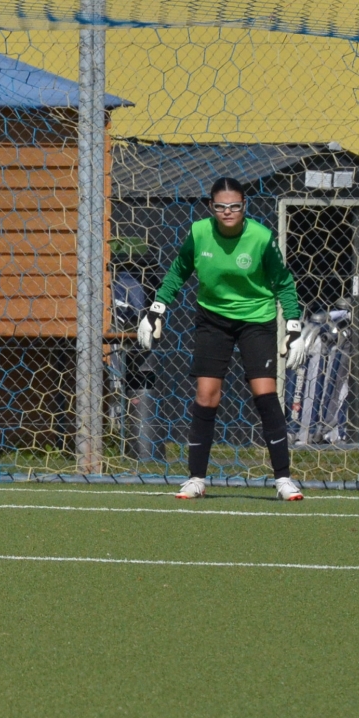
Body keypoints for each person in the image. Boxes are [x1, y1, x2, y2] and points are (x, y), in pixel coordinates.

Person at [139, 176, 308, 500]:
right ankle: (196, 479)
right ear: (211, 207)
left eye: (234, 206)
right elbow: (178, 271)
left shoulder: (261, 237)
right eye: (220, 207)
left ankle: (284, 480)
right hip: (212, 319)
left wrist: (293, 327)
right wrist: (156, 309)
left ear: (244, 206)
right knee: (206, 395)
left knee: (265, 393)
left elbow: (284, 282)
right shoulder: (199, 233)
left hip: (256, 319)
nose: (228, 212)